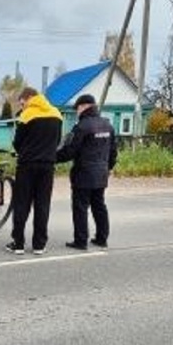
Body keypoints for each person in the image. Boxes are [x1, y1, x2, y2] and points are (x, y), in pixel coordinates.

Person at [56, 94, 119, 250]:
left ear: (84, 106)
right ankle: (102, 238)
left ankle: (81, 241)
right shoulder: (107, 125)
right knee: (99, 206)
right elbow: (113, 152)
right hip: (101, 173)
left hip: (83, 174)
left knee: (80, 207)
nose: (77, 112)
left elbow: (70, 151)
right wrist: (108, 168)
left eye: (77, 108)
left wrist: (52, 158)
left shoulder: (82, 127)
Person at [6, 87, 63, 255]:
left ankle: (18, 243)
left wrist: (24, 152)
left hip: (27, 165)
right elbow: (57, 141)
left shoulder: (27, 115)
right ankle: (39, 245)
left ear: (29, 97)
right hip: (47, 166)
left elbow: (17, 142)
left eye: (22, 102)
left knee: (21, 204)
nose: (22, 106)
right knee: (42, 204)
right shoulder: (56, 114)